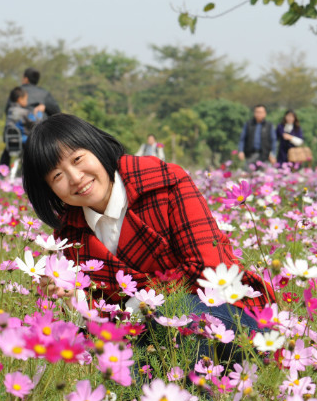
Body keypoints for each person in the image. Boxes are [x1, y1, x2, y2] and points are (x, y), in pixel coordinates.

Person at [22, 114, 274, 331]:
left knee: (183, 316)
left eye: (77, 159)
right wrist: (72, 297)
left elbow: (209, 269)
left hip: (226, 312)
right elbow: (101, 314)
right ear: (49, 191)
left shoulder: (165, 181)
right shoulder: (70, 235)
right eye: (57, 175)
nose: (75, 178)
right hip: (148, 333)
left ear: (97, 147)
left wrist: (134, 311)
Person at [0, 86, 45, 167]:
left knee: (6, 153)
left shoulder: (10, 110)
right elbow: (37, 123)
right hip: (22, 141)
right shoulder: (24, 113)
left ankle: (2, 173)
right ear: (20, 99)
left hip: (10, 140)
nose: (27, 101)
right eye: (25, 99)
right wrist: (39, 112)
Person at [237, 105, 276, 171]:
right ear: (254, 113)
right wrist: (241, 151)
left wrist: (273, 154)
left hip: (264, 156)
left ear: (265, 113)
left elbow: (273, 141)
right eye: (257, 112)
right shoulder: (248, 124)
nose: (258, 114)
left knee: (263, 177)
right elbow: (242, 139)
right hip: (250, 154)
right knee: (248, 175)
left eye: (261, 112)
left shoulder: (269, 125)